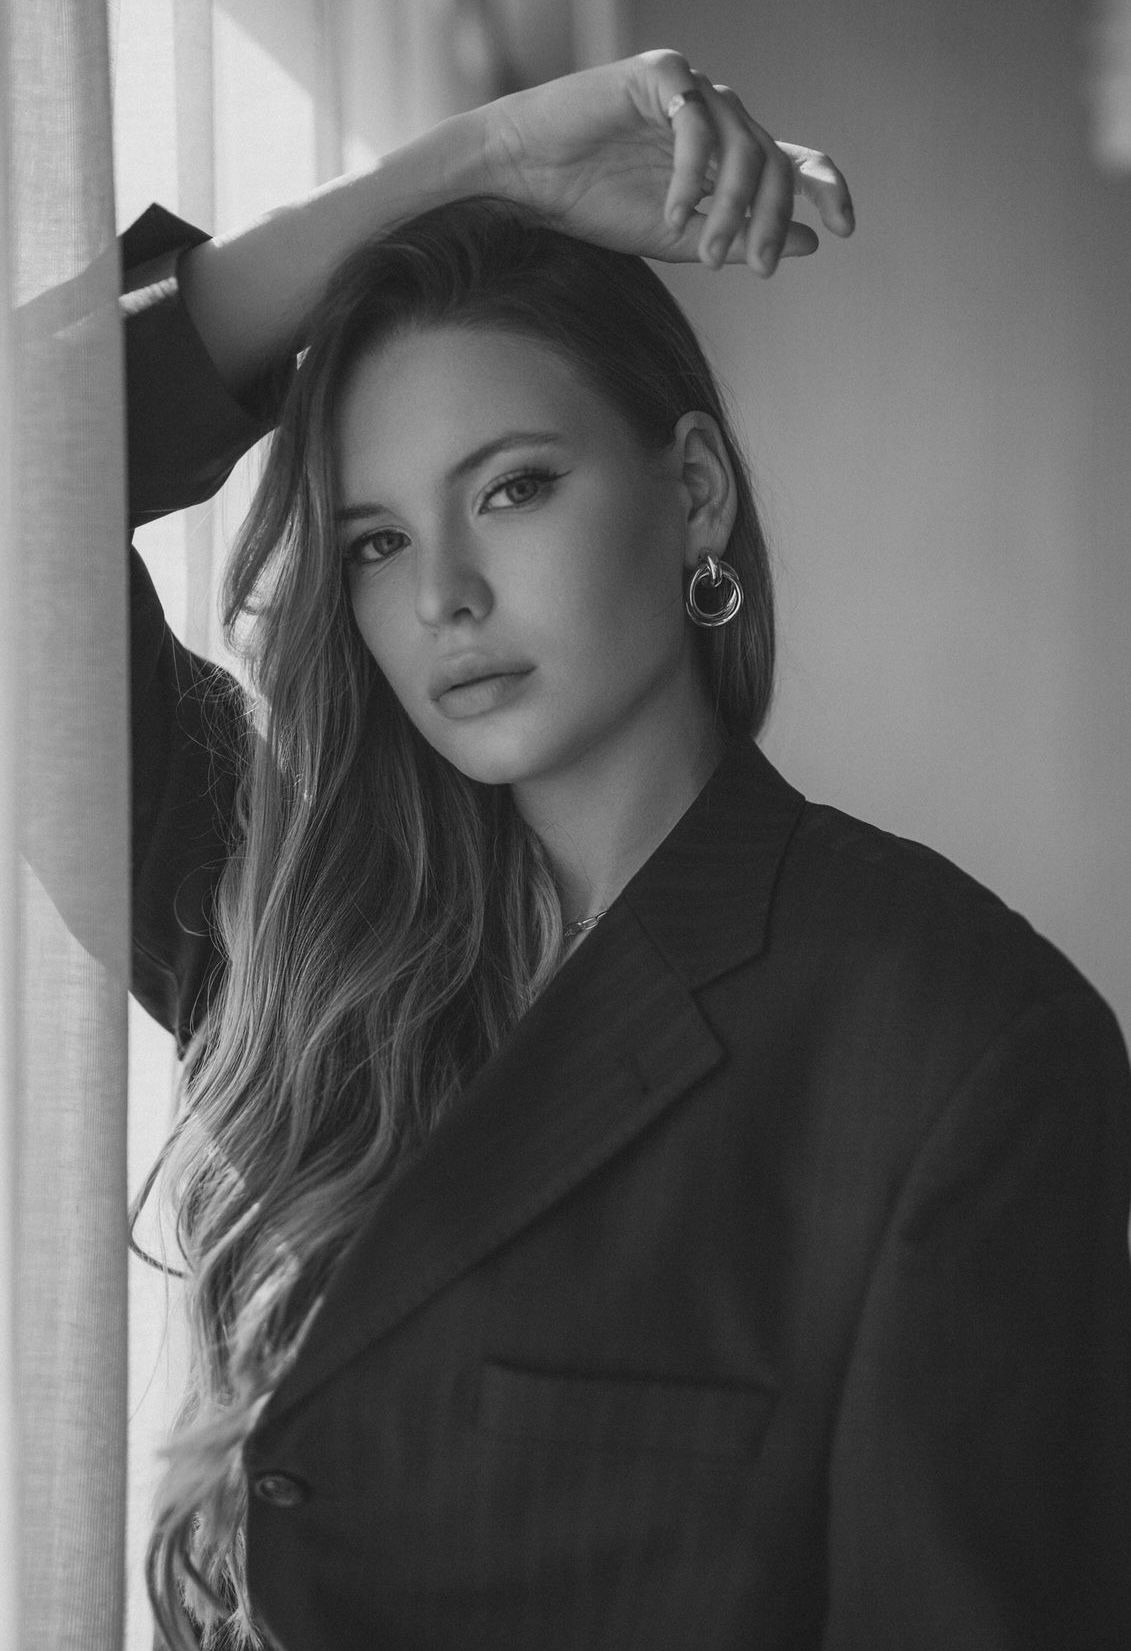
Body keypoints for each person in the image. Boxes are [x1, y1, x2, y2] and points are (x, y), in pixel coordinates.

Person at [120, 48, 1131, 1651]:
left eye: (512, 489)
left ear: (697, 495)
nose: (441, 594)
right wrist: (462, 171)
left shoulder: (964, 1051)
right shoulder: (309, 944)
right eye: (377, 540)